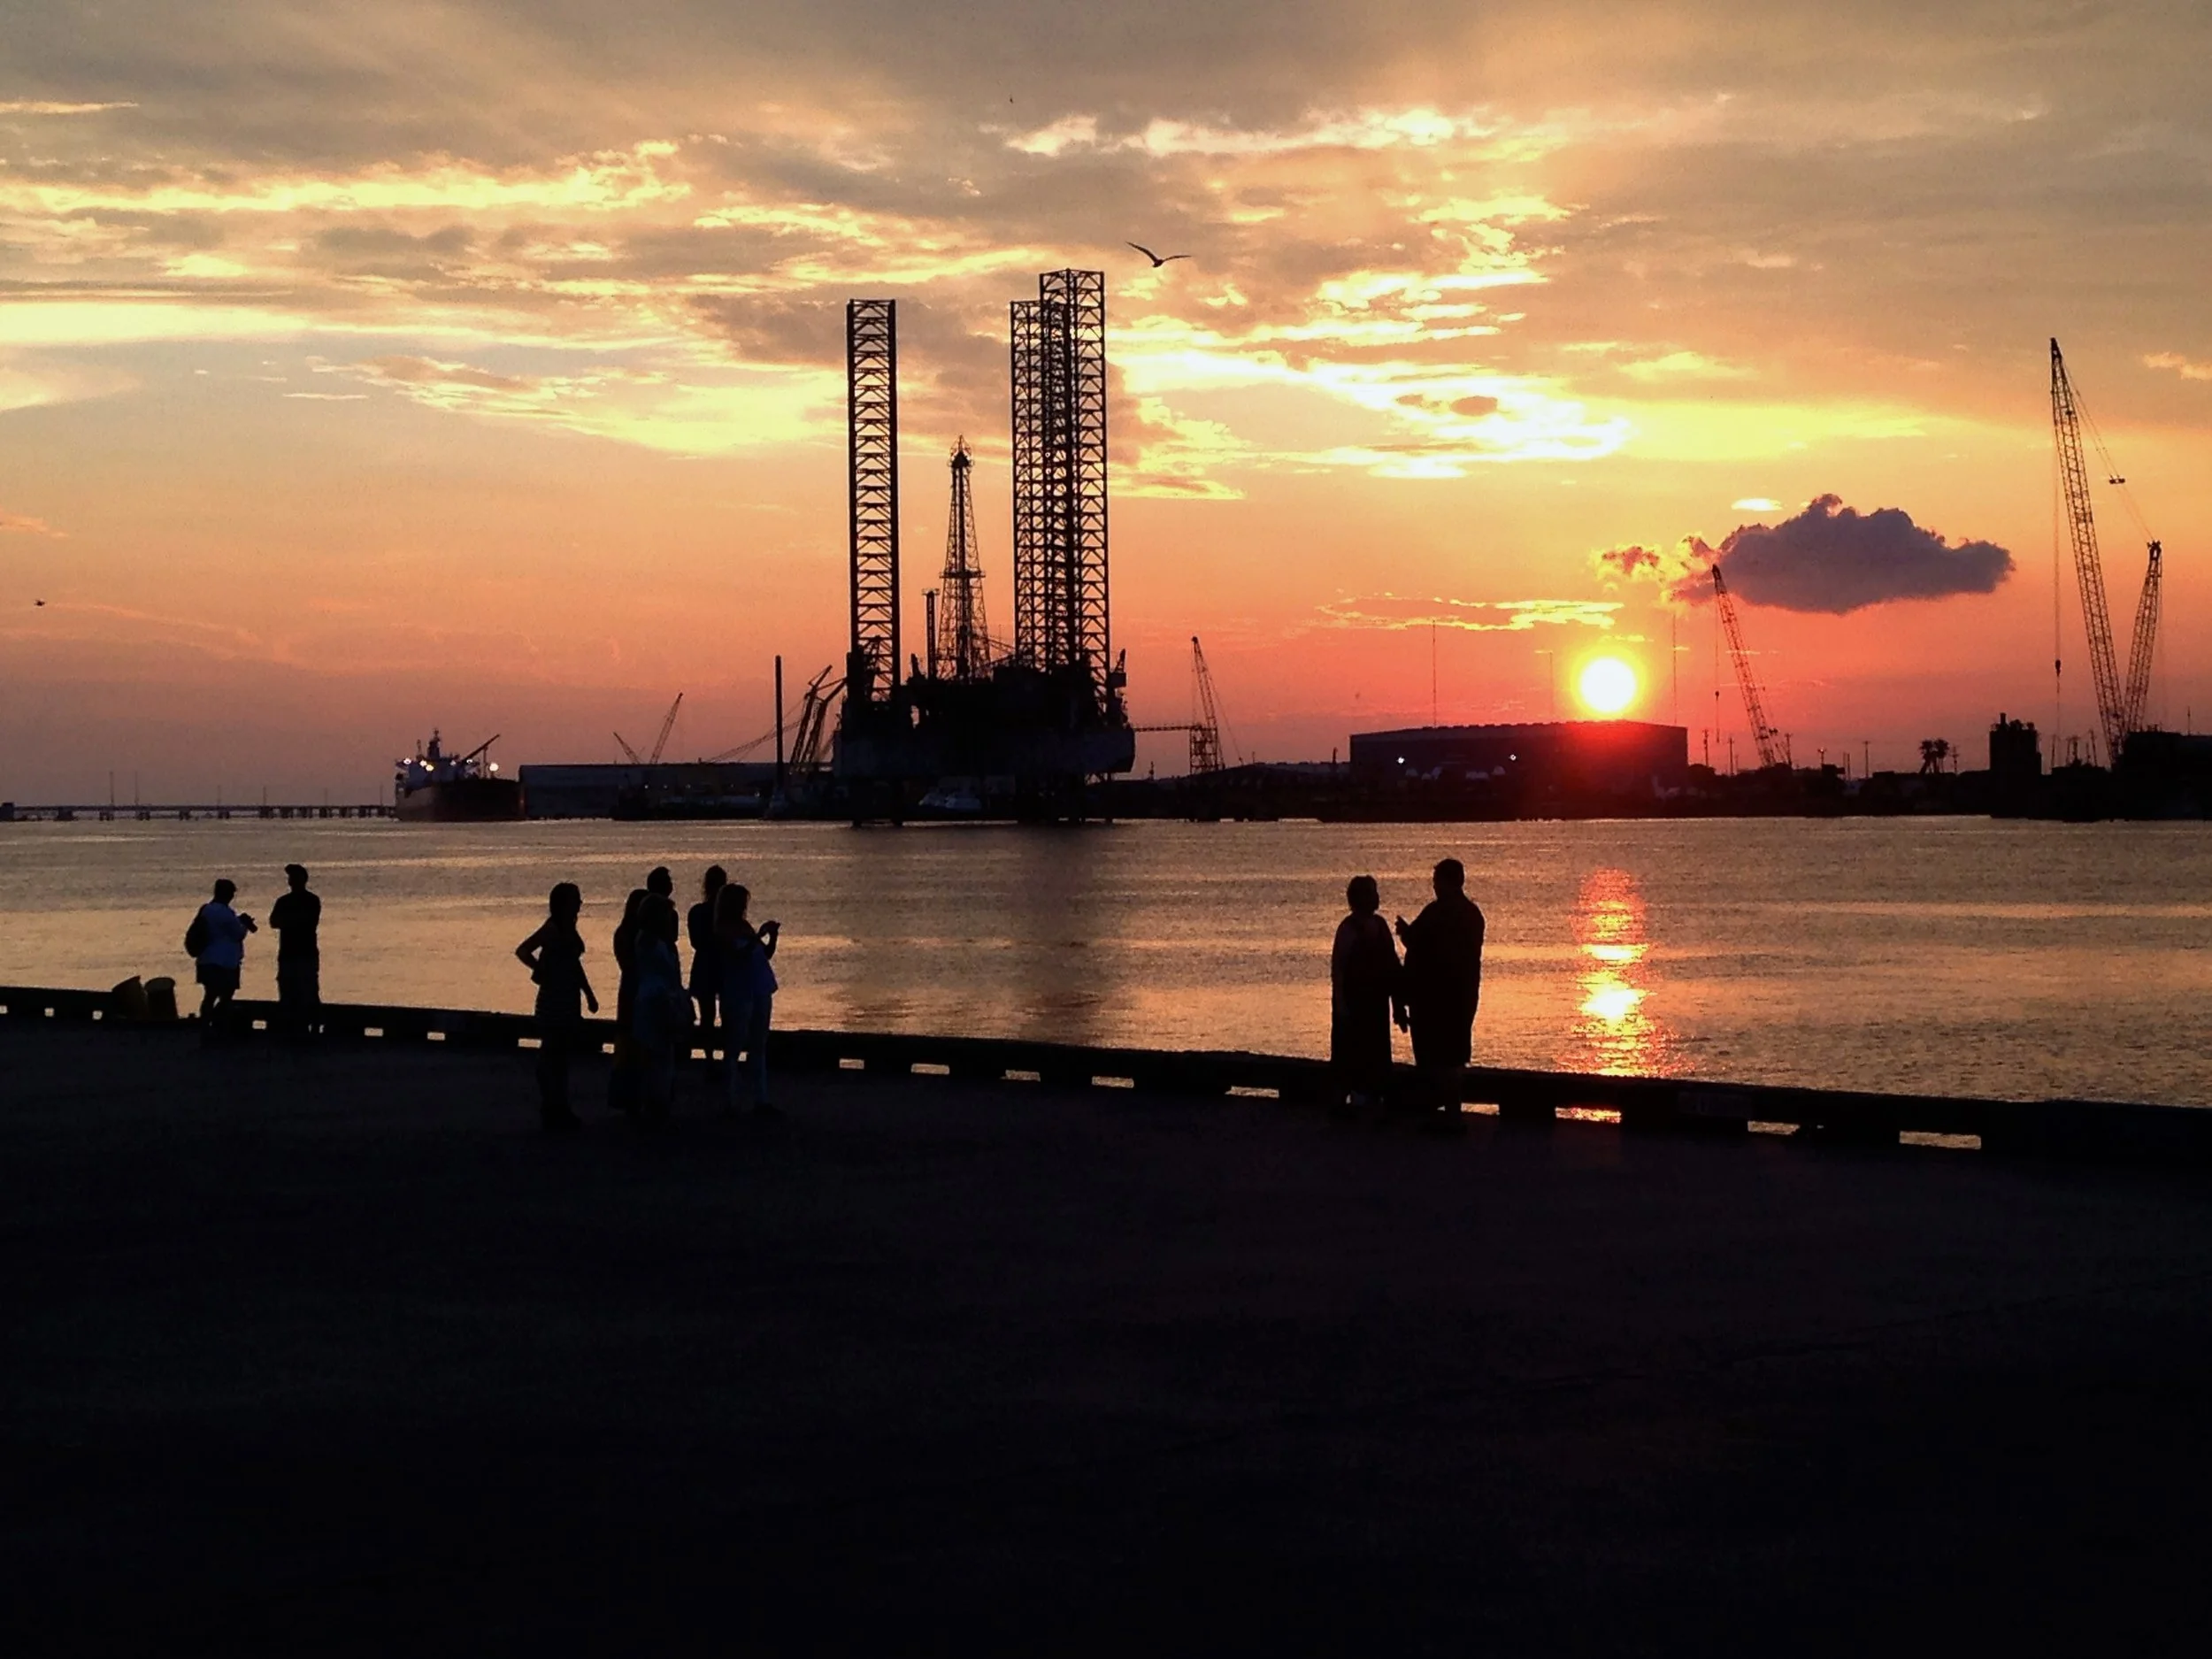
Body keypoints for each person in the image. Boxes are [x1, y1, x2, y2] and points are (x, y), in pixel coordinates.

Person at [1394, 857, 1486, 1114]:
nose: (1434, 887)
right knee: (1454, 1057)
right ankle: (1453, 1112)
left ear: (1446, 883)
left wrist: (1403, 931)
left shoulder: (1437, 912)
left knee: (1432, 1058)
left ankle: (1437, 1111)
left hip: (1434, 999)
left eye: (1436, 882)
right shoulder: (1473, 915)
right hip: (1463, 996)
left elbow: (1419, 944)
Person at [516, 882, 598, 1133]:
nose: (581, 903)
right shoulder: (551, 929)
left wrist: (588, 994)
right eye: (576, 899)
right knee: (552, 1054)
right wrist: (540, 969)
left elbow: (574, 965)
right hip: (554, 998)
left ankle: (559, 1106)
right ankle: (552, 1106)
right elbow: (523, 950)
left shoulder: (568, 928)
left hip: (567, 997)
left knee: (561, 1055)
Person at [1332, 874, 1402, 1109]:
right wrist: (1341, 1005)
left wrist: (1398, 1004)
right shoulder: (1348, 929)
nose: (1376, 897)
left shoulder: (1380, 925)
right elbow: (1339, 970)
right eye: (1372, 893)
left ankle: (1373, 1101)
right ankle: (1345, 1101)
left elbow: (1392, 966)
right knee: (1349, 1053)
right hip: (1355, 1002)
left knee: (1377, 1055)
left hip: (1377, 1002)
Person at [715, 882, 780, 1118]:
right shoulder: (722, 929)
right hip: (738, 991)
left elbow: (763, 954)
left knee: (759, 1045)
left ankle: (760, 1100)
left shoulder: (744, 927)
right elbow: (737, 957)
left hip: (759, 988)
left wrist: (772, 938)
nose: (745, 907)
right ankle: (730, 1101)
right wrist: (758, 937)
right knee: (734, 1045)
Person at [631, 894, 691, 1125]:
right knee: (657, 1054)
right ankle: (655, 1102)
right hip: (654, 1000)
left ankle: (658, 1100)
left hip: (658, 999)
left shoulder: (655, 942)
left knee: (661, 1054)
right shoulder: (649, 942)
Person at [188, 879, 257, 1040]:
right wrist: (245, 924)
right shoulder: (226, 913)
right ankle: (220, 1030)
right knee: (225, 998)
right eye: (232, 893)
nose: (233, 896)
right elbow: (238, 934)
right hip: (225, 962)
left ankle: (206, 1028)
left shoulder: (206, 910)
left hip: (206, 959)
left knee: (209, 996)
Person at [607, 886, 650, 1116]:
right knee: (630, 1045)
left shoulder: (626, 934)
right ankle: (630, 1096)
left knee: (632, 1045)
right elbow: (630, 966)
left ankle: (633, 1096)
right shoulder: (629, 935)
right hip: (634, 991)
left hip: (631, 991)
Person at [267, 864, 322, 1039]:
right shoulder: (285, 901)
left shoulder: (311, 901)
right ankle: (293, 1026)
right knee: (289, 989)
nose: (290, 881)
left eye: (293, 878)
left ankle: (312, 1025)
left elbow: (307, 921)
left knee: (308, 990)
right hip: (290, 952)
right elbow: (274, 922)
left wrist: (289, 921)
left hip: (303, 952)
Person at [687, 865, 728, 1068]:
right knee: (727, 1014)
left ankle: (710, 1058)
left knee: (707, 1016)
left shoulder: (697, 912)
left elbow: (695, 942)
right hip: (721, 964)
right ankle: (724, 1057)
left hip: (705, 965)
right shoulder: (727, 916)